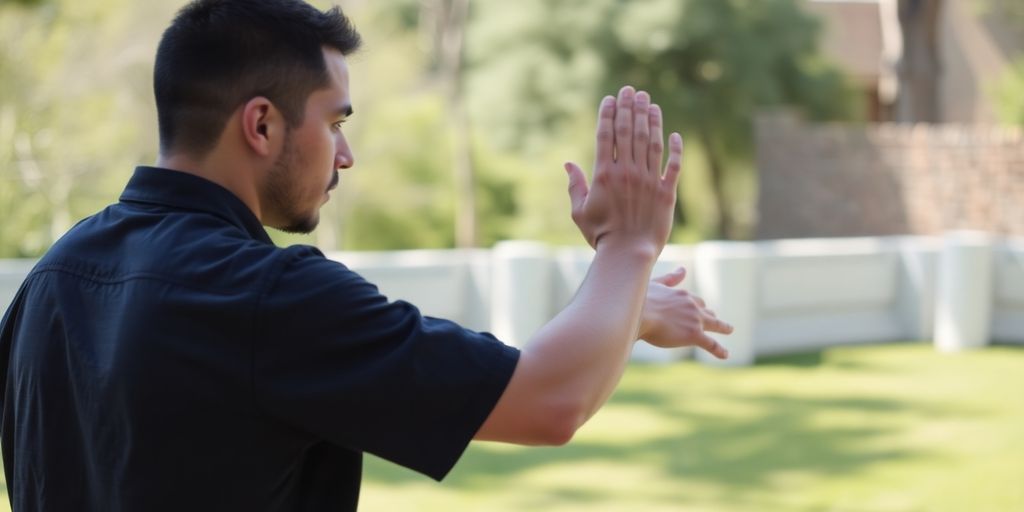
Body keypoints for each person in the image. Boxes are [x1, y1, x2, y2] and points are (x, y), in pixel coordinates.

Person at [0, 0, 733, 510]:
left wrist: (625, 311)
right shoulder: (266, 296)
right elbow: (549, 401)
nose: (346, 154)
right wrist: (629, 247)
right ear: (261, 124)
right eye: (335, 121)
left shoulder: (51, 279)